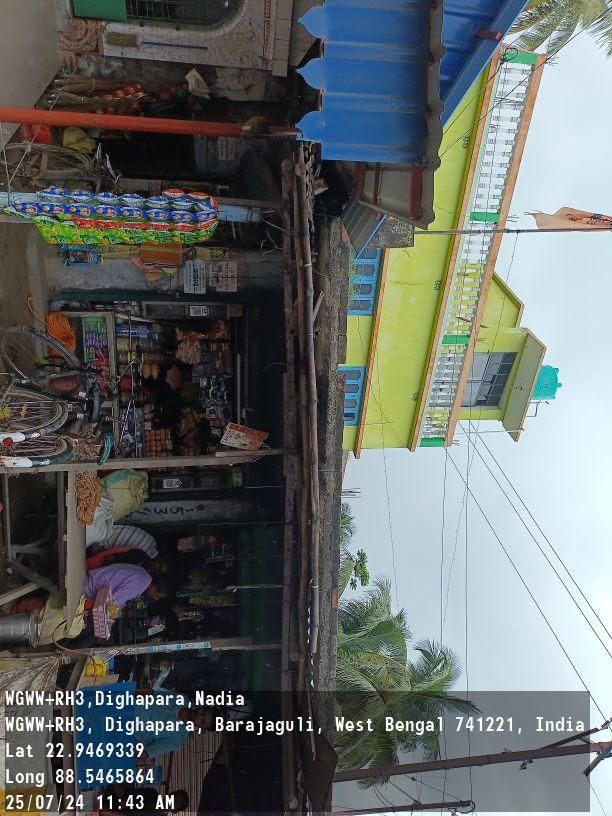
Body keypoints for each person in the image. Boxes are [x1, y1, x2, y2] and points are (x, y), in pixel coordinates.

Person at [133, 697, 219, 760]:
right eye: (203, 712)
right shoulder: (181, 698)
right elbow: (147, 693)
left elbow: (145, 754)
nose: (199, 716)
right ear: (203, 707)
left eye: (202, 721)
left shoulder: (177, 739)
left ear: (202, 729)